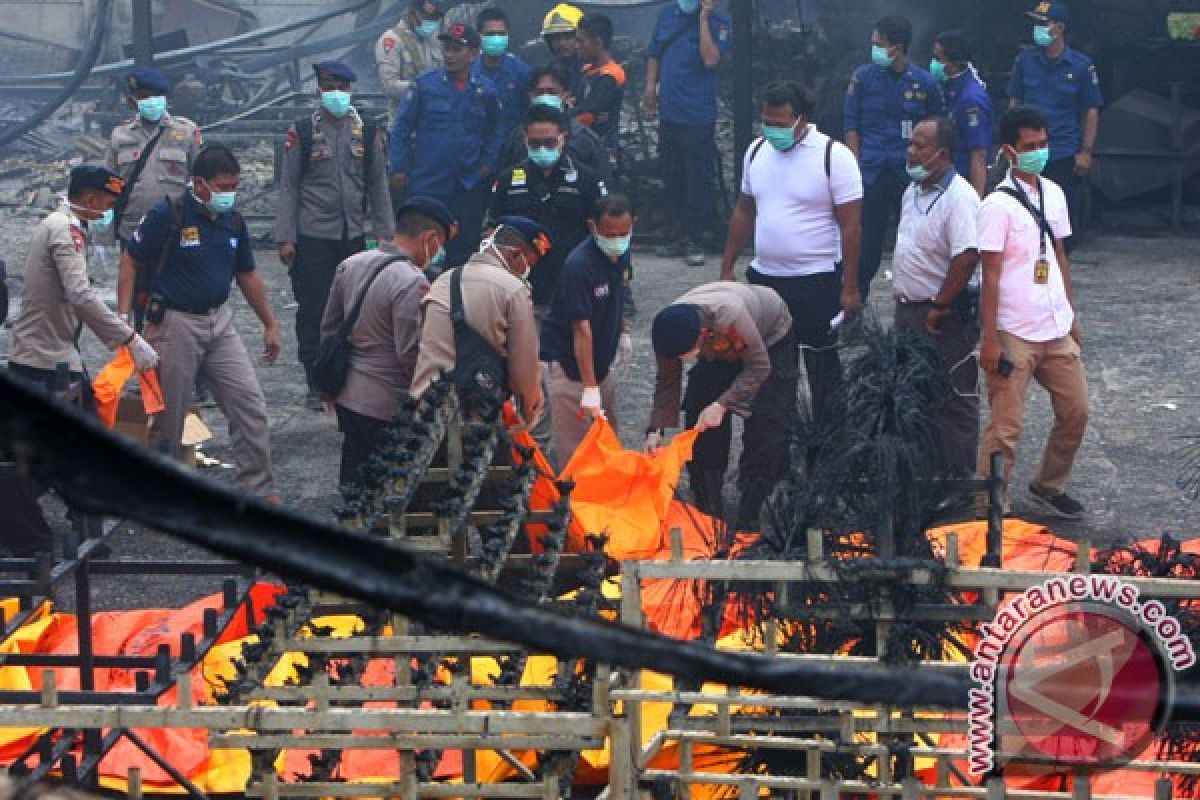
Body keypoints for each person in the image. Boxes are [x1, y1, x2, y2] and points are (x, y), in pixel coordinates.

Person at [118, 145, 282, 500]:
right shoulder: (169, 214)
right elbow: (131, 260)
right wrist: (123, 318)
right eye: (223, 186)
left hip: (220, 323)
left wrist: (270, 323)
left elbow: (248, 274)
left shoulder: (233, 220)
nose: (229, 193)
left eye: (234, 185)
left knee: (250, 405)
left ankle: (258, 489)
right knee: (169, 416)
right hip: (174, 325)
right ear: (199, 183)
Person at [720, 80, 862, 422]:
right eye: (766, 122)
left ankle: (830, 442)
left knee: (821, 365)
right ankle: (774, 446)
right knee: (766, 366)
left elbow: (851, 226)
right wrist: (727, 267)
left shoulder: (834, 156)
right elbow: (744, 210)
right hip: (765, 278)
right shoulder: (756, 152)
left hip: (816, 280)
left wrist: (850, 287)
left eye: (781, 124)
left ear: (802, 120)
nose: (772, 131)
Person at [977, 106, 1087, 519]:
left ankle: (1049, 484)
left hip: (1053, 325)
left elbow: (1059, 256)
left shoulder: (1054, 194)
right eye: (1030, 147)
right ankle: (991, 501)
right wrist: (989, 338)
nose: (1038, 153)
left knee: (1076, 411)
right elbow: (989, 275)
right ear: (1010, 151)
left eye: (1043, 145)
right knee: (1006, 426)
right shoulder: (996, 206)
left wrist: (1071, 315)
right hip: (1013, 330)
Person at [275, 61, 394, 411]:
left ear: (351, 90)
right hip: (313, 235)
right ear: (319, 90)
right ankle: (315, 378)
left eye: (341, 86)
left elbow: (377, 185)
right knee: (313, 308)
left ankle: (345, 376)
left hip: (352, 235)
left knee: (352, 309)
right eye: (329, 86)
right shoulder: (302, 130)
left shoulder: (368, 130)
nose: (335, 94)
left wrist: (384, 233)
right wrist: (286, 237)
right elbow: (289, 186)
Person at [321, 197, 457, 487]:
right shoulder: (411, 282)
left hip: (348, 392)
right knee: (385, 487)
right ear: (430, 238)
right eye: (441, 243)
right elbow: (409, 353)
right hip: (384, 401)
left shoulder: (352, 263)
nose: (440, 252)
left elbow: (330, 327)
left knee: (354, 476)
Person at [647, 283, 795, 529]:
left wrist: (722, 404)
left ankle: (751, 507)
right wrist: (656, 428)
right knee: (699, 414)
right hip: (717, 349)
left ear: (703, 335)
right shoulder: (667, 331)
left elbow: (759, 367)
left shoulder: (730, 318)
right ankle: (708, 503)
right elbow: (667, 381)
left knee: (767, 423)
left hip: (769, 340)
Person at [9, 166, 158, 401]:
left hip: (50, 350)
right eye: (107, 206)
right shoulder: (65, 232)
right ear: (90, 200)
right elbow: (80, 294)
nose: (108, 214)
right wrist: (129, 338)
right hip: (46, 359)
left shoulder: (59, 224)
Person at [892, 117, 981, 475]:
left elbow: (967, 256)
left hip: (943, 313)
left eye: (919, 146)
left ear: (941, 154)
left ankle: (957, 482)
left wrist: (940, 304)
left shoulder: (960, 198)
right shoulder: (911, 191)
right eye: (910, 144)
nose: (910, 151)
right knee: (915, 393)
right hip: (908, 309)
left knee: (953, 396)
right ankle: (923, 473)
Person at [411, 216, 552, 428]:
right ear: (515, 255)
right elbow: (524, 376)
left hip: (426, 412)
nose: (527, 271)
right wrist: (529, 416)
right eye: (529, 264)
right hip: (477, 419)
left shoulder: (443, 280)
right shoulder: (513, 290)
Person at [844, 15, 944, 300]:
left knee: (914, 243)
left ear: (897, 48)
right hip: (871, 173)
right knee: (866, 246)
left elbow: (937, 129)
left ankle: (916, 304)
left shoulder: (924, 82)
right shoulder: (862, 78)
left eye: (880, 44)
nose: (874, 49)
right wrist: (854, 166)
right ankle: (854, 305)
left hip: (909, 176)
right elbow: (852, 124)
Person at [390, 23, 504, 269]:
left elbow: (496, 131)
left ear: (473, 54)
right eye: (447, 49)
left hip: (467, 184)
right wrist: (398, 168)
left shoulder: (486, 91)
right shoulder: (425, 85)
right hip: (428, 181)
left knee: (463, 249)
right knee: (422, 248)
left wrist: (487, 164)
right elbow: (401, 127)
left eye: (457, 50)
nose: (450, 55)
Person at [539, 193, 633, 467]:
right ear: (593, 227)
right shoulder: (579, 266)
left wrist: (623, 331)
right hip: (570, 365)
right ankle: (573, 505)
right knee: (575, 450)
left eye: (624, 233)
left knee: (606, 437)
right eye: (610, 234)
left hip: (601, 361)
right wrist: (589, 387)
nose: (617, 240)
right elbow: (581, 329)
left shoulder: (622, 253)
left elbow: (619, 292)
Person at [489, 104, 608, 310]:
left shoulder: (587, 180)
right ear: (525, 139)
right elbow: (493, 230)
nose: (542, 149)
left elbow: (603, 232)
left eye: (549, 142)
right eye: (535, 143)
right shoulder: (508, 180)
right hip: (521, 285)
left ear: (564, 138)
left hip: (572, 280)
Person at [643, 0, 731, 268]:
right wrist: (650, 88)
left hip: (698, 116)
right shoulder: (667, 15)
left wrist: (703, 20)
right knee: (672, 174)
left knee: (697, 178)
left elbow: (710, 59)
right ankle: (675, 235)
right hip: (669, 112)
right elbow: (654, 53)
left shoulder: (719, 24)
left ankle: (695, 238)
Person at [1006, 1, 1102, 245]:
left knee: (1060, 219)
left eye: (1043, 24)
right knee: (1023, 214)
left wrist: (1086, 152)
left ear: (1059, 28)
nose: (1037, 29)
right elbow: (1014, 102)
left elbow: (1091, 109)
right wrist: (1008, 143)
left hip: (1062, 151)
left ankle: (1059, 267)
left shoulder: (1081, 66)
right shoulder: (1024, 61)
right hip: (1026, 151)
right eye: (1036, 23)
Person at [105, 67, 202, 247]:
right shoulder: (120, 136)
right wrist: (105, 233)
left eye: (154, 96)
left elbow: (200, 180)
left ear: (164, 98)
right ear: (132, 101)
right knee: (133, 275)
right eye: (143, 96)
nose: (150, 101)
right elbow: (112, 183)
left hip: (176, 229)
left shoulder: (186, 131)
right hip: (132, 230)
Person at [498, 65, 610, 180]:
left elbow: (603, 185)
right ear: (531, 96)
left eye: (552, 92)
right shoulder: (517, 137)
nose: (545, 96)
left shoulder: (586, 139)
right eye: (540, 92)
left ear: (566, 95)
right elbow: (504, 178)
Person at [931, 30, 993, 197]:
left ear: (952, 63)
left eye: (938, 59)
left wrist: (975, 201)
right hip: (946, 180)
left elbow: (979, 154)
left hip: (963, 183)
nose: (933, 63)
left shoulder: (971, 99)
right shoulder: (949, 87)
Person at [473, 8, 533, 143]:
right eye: (490, 34)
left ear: (508, 35)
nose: (496, 38)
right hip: (479, 146)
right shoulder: (469, 72)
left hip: (512, 146)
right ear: (479, 36)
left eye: (501, 33)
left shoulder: (521, 71)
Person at [375, 0, 444, 112]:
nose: (431, 22)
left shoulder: (434, 39)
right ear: (412, 14)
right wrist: (423, 87)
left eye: (434, 18)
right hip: (405, 118)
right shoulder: (391, 40)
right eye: (427, 17)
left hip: (433, 115)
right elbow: (390, 86)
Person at [574, 13, 626, 156]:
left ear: (598, 42)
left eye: (581, 41)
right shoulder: (587, 70)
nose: (577, 46)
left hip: (602, 148)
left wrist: (561, 125)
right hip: (582, 143)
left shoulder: (611, 75)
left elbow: (588, 114)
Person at [541, 3, 586, 95]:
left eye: (568, 37)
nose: (562, 43)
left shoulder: (595, 70)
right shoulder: (548, 72)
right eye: (556, 38)